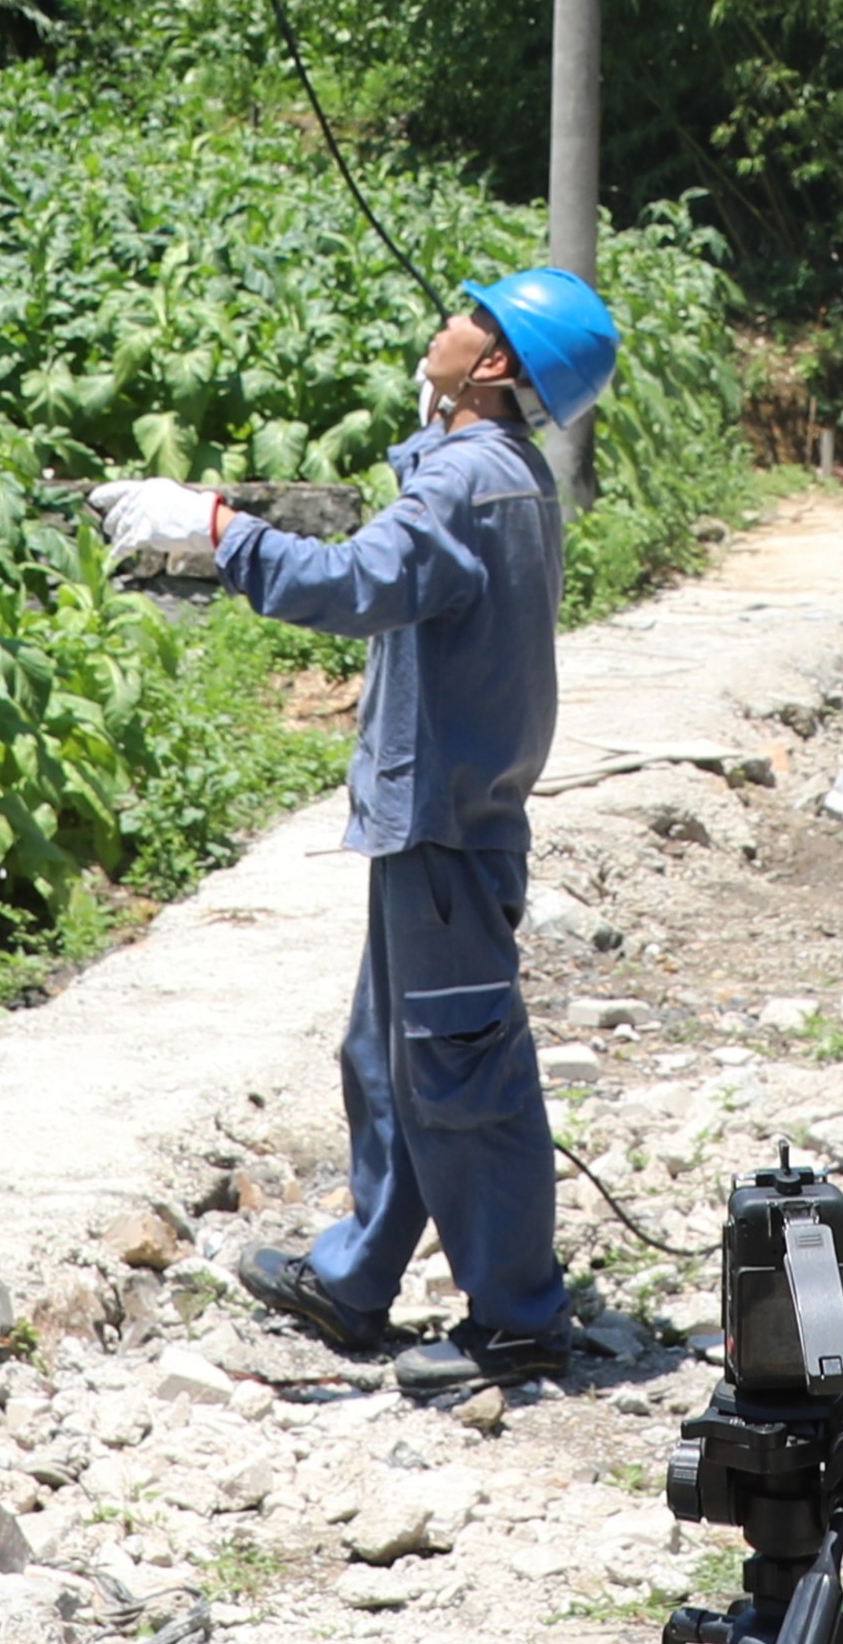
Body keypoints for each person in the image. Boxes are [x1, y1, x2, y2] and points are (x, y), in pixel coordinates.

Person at [92, 264, 621, 1401]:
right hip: (432, 819)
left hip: (443, 824)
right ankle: (357, 1278)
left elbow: (353, 584)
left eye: (466, 317)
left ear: (491, 366)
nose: (443, 323)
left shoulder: (469, 482)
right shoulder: (487, 471)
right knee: (386, 1061)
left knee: (462, 1071)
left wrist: (215, 529)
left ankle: (519, 1322)